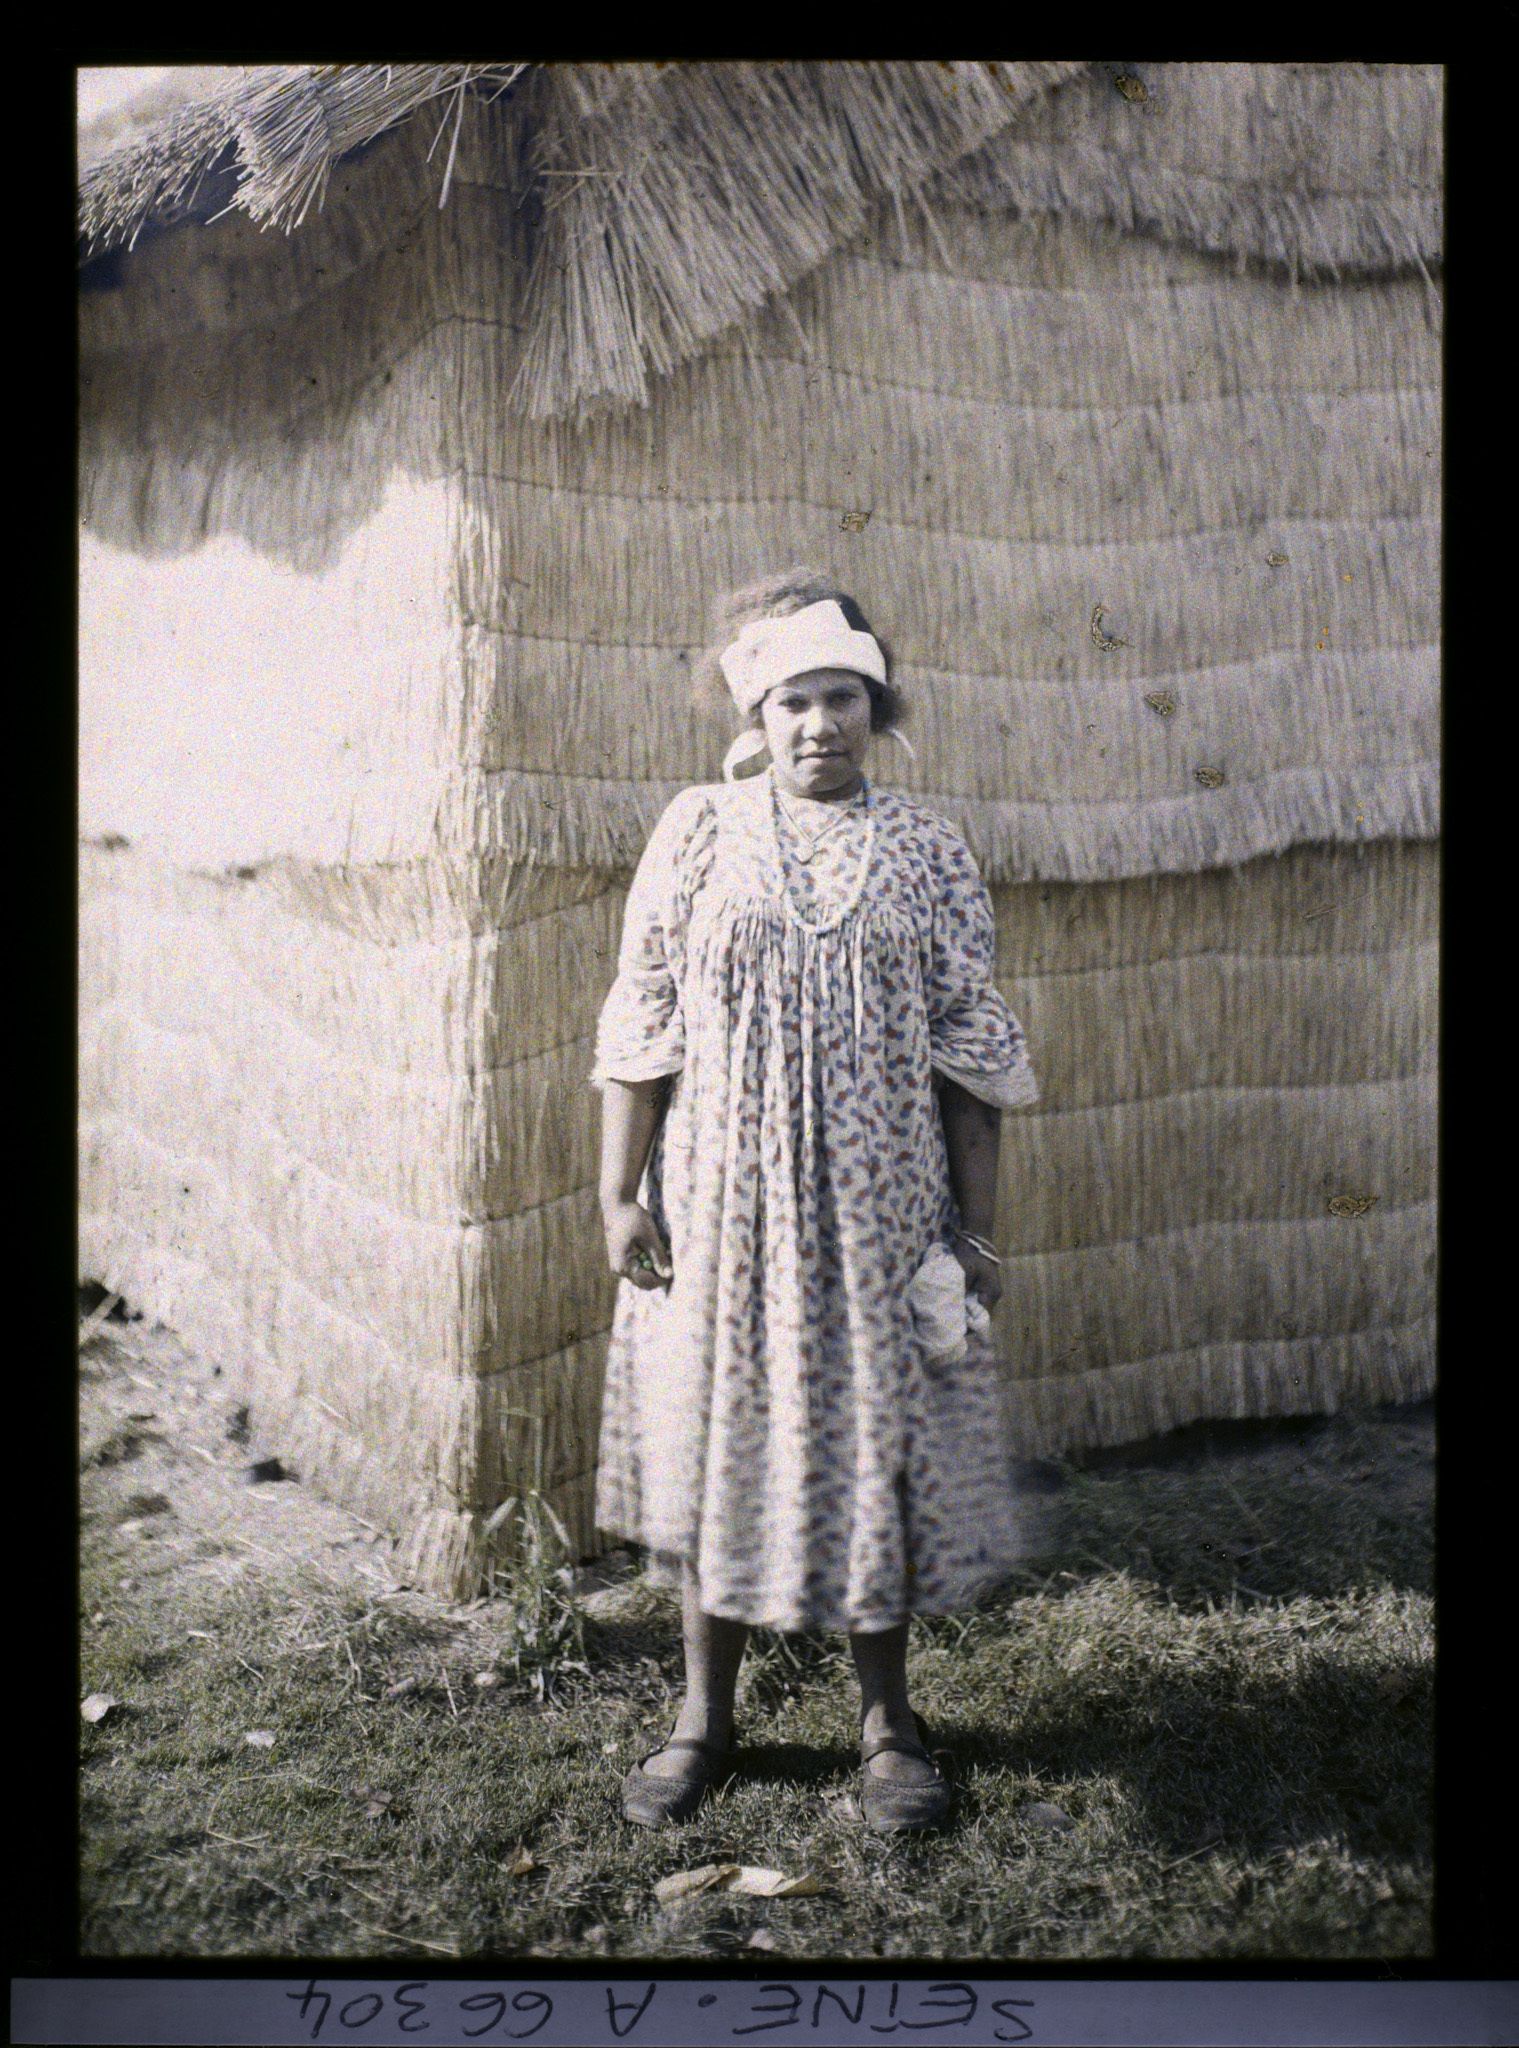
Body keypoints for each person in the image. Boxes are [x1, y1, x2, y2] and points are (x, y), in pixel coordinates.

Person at [592, 568, 1038, 1832]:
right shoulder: (694, 830)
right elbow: (645, 1017)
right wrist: (616, 1193)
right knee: (713, 1449)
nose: (818, 726)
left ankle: (888, 1725)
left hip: (880, 1211)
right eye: (794, 700)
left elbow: (970, 1049)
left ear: (875, 707)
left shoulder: (926, 847)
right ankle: (701, 1720)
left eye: (842, 698)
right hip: (720, 1211)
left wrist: (975, 1225)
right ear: (756, 712)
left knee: (871, 1455)